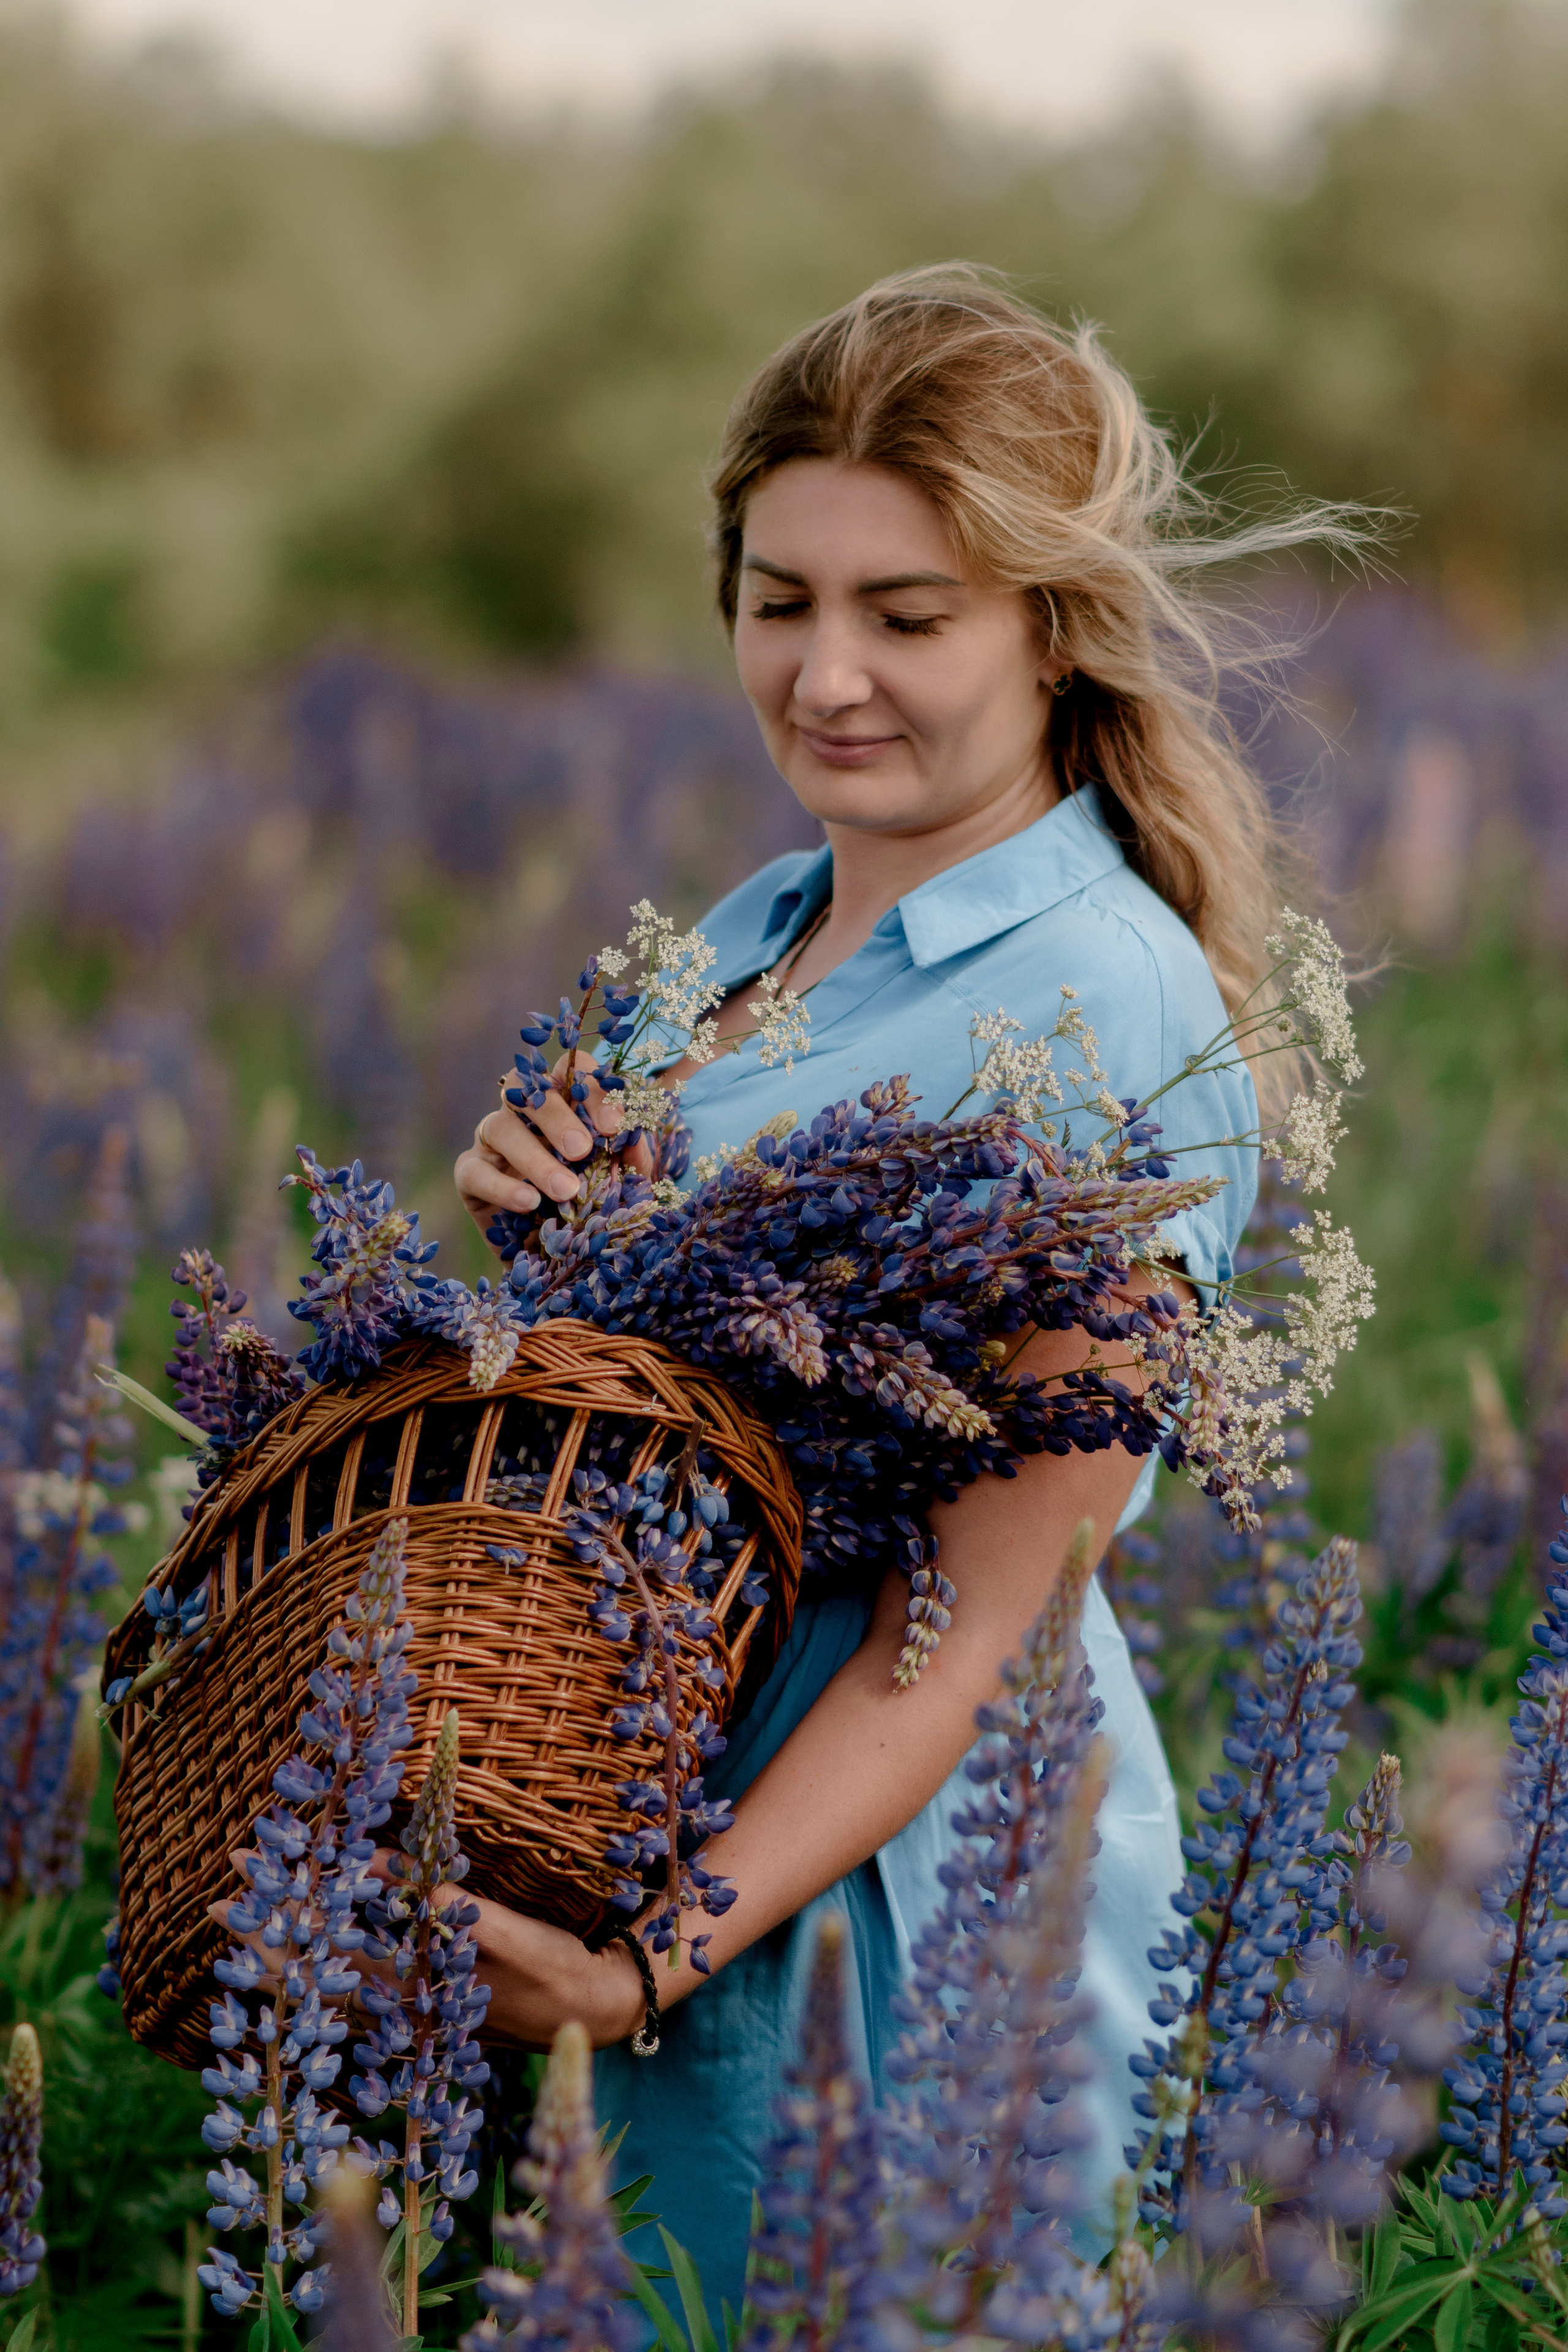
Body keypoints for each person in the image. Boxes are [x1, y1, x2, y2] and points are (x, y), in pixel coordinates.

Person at [451, 267, 1344, 2316]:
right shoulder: (756, 926)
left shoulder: (1105, 1000)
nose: (828, 673)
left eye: (909, 614)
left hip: (875, 1933)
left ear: (1053, 628)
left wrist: (645, 1958)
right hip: (626, 1820)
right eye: (782, 600)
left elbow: (979, 1630)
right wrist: (532, 1234)